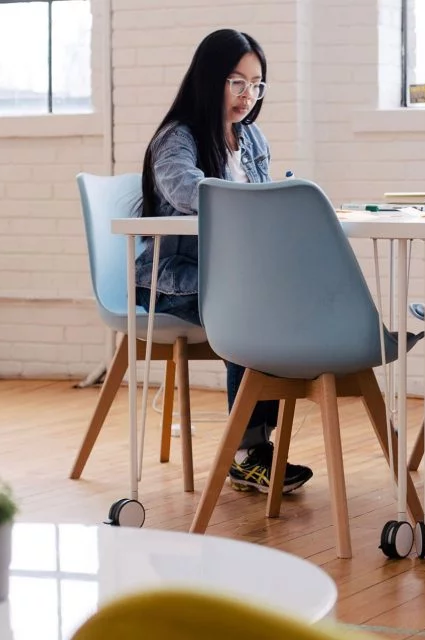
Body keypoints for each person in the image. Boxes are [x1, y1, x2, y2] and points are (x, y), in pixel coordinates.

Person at [135, 29, 312, 494]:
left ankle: (257, 447)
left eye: (256, 84)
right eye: (237, 82)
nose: (248, 95)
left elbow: (264, 202)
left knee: (283, 299)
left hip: (236, 276)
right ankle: (248, 452)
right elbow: (185, 190)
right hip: (172, 279)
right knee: (251, 308)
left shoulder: (251, 139)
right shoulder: (177, 139)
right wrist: (259, 203)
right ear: (209, 79)